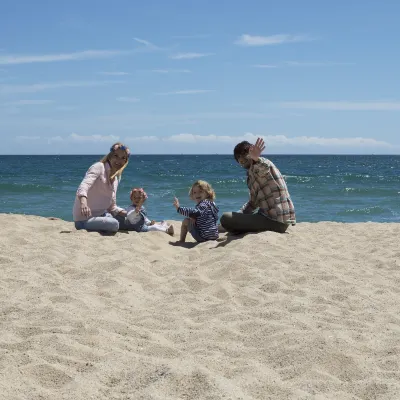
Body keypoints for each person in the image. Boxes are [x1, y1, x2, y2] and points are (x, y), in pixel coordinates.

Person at [220, 137, 296, 234]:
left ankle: (231, 228)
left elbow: (263, 169)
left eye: (245, 155)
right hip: (267, 217)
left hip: (276, 220)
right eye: (239, 158)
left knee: (225, 218)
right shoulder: (250, 175)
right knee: (229, 218)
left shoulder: (263, 163)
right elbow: (253, 203)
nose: (242, 160)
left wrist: (256, 158)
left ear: (251, 152)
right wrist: (238, 214)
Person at [73, 142, 130, 233]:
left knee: (130, 221)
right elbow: (84, 186)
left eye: (123, 158)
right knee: (114, 224)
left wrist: (127, 213)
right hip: (84, 219)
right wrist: (83, 203)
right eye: (116, 156)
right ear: (110, 156)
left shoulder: (115, 179)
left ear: (125, 161)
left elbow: (112, 207)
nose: (119, 161)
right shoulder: (98, 167)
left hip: (103, 215)